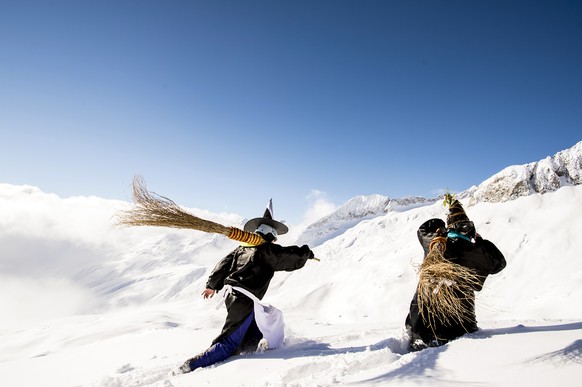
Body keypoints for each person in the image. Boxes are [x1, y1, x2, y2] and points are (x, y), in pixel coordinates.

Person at [174, 200, 315, 374]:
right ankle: (191, 365)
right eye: (275, 236)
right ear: (271, 235)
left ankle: (249, 347)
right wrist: (307, 253)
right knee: (228, 343)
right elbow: (291, 255)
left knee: (261, 319)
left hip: (232, 296)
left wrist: (212, 285)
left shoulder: (242, 248)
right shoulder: (268, 251)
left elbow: (222, 265)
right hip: (243, 299)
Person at [405, 197, 506, 351]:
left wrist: (440, 228)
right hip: (462, 327)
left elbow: (423, 230)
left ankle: (417, 337)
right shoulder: (476, 252)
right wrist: (479, 241)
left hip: (423, 328)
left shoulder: (436, 246)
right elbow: (499, 262)